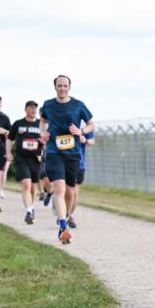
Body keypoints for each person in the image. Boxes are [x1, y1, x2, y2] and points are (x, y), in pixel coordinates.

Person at [40, 75, 94, 244]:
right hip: (54, 152)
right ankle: (63, 226)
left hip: (73, 153)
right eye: (59, 86)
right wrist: (42, 133)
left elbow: (91, 123)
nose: (62, 88)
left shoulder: (78, 105)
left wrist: (82, 131)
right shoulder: (48, 105)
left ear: (69, 87)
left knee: (71, 192)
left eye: (65, 86)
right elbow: (42, 121)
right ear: (55, 87)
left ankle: (67, 215)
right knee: (59, 188)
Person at [9, 100, 44, 225]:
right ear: (25, 109)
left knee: (33, 187)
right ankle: (28, 211)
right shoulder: (18, 124)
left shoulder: (41, 124)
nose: (33, 110)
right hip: (21, 158)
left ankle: (32, 206)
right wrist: (8, 152)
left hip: (36, 159)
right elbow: (10, 138)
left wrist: (44, 143)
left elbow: (47, 139)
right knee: (26, 184)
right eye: (30, 108)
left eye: (35, 108)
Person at [66, 126, 95, 229]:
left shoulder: (84, 125)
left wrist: (85, 140)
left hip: (79, 163)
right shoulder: (62, 121)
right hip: (63, 162)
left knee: (75, 191)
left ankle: (69, 215)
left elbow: (92, 142)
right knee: (65, 190)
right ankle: (61, 209)